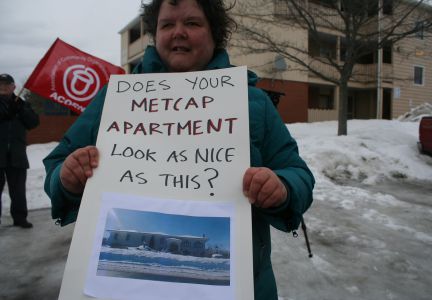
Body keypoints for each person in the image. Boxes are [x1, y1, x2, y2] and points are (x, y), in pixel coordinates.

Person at [43, 0, 315, 299]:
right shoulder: (116, 99)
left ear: (215, 33)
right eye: (167, 25)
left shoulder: (253, 103)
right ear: (155, 34)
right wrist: (65, 178)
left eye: (193, 23)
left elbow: (297, 173)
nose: (178, 32)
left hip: (238, 285)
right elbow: (58, 163)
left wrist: (282, 189)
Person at [0, 73, 40, 228]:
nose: (3, 87)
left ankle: (20, 218)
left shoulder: (21, 104)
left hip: (17, 155)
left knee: (18, 190)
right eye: (0, 84)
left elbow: (33, 123)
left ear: (13, 86)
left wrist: (21, 109)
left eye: (6, 84)